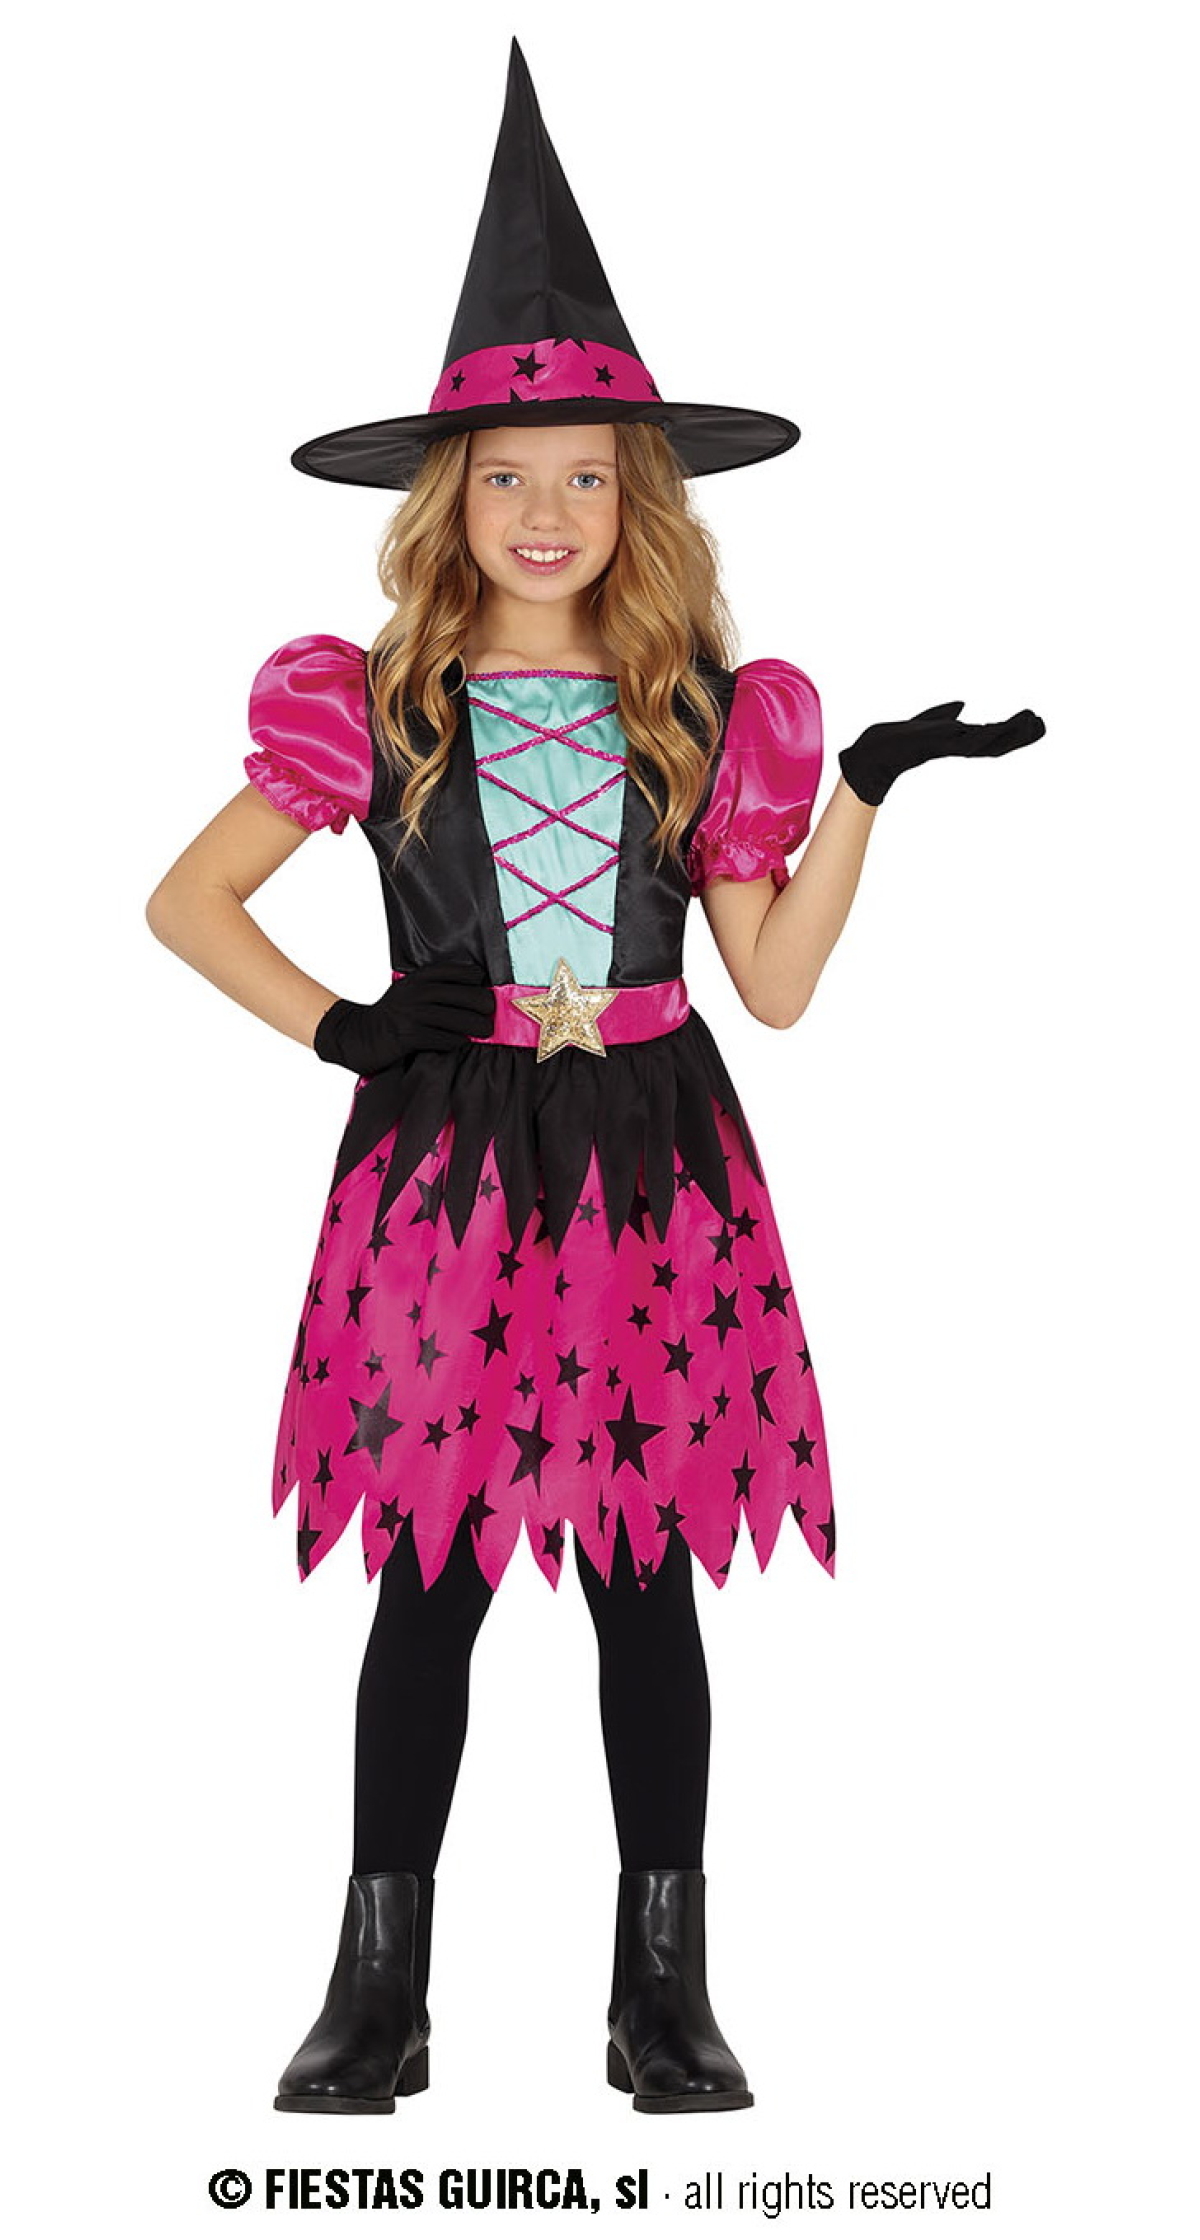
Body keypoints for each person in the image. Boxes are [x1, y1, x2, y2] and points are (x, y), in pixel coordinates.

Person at [145, 41, 1044, 2118]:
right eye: (505, 477)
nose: (545, 512)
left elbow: (773, 986)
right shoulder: (375, 707)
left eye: (585, 479)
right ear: (446, 502)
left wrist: (863, 795)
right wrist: (346, 1024)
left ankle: (664, 1994)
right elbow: (188, 902)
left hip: (653, 1159)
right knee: (433, 1572)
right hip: (449, 1167)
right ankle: (377, 1990)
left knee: (647, 1571)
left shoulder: (699, 716)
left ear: (639, 503)